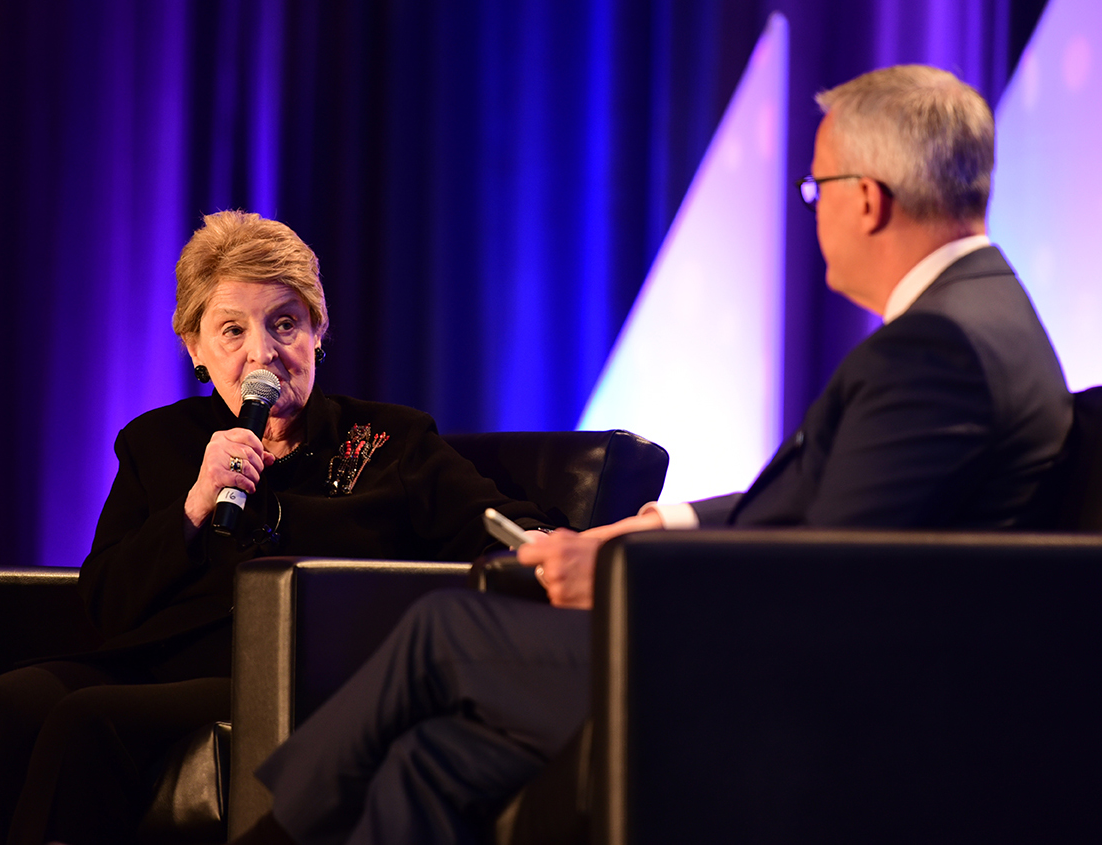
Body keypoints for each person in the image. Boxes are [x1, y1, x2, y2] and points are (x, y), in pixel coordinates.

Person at [240, 65, 1073, 844]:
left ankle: (263, 836)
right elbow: (823, 503)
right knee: (436, 761)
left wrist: (622, 581)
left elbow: (830, 577)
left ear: (870, 200)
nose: (810, 208)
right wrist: (648, 526)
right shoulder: (973, 322)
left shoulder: (939, 349)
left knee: (441, 631)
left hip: (809, 696)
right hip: (802, 658)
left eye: (816, 187)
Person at [0, 211, 551, 845]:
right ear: (197, 351)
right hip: (152, 659)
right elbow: (106, 600)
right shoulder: (159, 443)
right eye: (232, 330)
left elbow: (498, 526)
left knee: (88, 720)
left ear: (317, 331)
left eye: (285, 323)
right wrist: (193, 505)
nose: (262, 353)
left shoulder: (390, 441)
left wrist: (548, 549)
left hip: (284, 673)